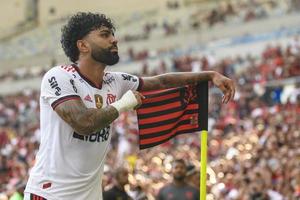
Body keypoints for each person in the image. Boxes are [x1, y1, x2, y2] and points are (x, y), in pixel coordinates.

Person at [24, 12, 235, 200]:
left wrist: (209, 75)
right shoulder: (58, 76)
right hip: (49, 193)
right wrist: (123, 104)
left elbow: (161, 82)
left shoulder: (115, 81)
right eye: (105, 35)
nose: (114, 39)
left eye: (112, 35)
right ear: (83, 45)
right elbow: (83, 122)